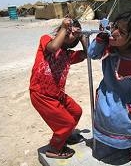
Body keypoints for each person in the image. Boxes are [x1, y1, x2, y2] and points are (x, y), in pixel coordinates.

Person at [87, 9, 131, 164]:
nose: (114, 32)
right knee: (106, 121)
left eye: (121, 31)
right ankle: (109, 141)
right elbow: (92, 54)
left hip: (126, 102)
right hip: (106, 95)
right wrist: (101, 38)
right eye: (114, 26)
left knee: (128, 126)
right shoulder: (109, 47)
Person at [29, 18, 87, 159]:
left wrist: (82, 37)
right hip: (41, 94)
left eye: (73, 32)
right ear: (60, 30)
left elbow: (88, 54)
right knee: (66, 123)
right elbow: (54, 47)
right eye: (68, 28)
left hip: (57, 94)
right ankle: (54, 149)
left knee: (76, 112)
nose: (70, 31)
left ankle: (65, 136)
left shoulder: (69, 55)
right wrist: (64, 27)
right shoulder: (46, 40)